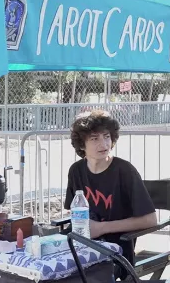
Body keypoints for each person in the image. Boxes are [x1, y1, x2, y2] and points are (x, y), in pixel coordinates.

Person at [64, 109, 157, 270]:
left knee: (83, 280)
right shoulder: (76, 171)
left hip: (117, 251)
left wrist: (101, 228)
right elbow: (73, 213)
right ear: (82, 144)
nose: (104, 144)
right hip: (81, 245)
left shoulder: (124, 170)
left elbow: (150, 220)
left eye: (106, 137)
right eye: (94, 139)